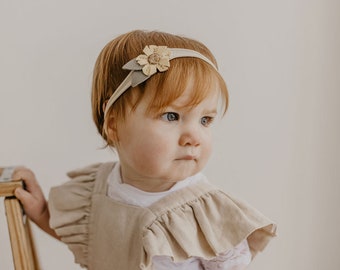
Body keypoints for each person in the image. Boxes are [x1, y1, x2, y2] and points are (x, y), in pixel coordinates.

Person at [11, 30, 276, 269]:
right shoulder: (97, 193)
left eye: (205, 120)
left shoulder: (206, 215)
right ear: (113, 123)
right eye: (172, 116)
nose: (194, 137)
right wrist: (42, 213)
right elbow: (91, 240)